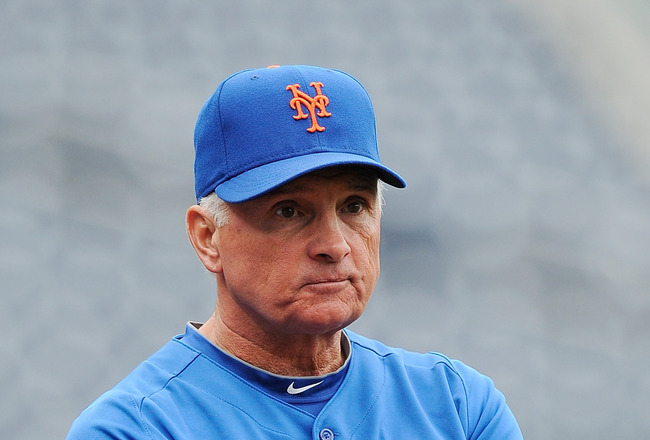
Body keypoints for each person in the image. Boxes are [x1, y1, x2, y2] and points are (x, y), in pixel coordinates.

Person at [66, 65, 523, 439]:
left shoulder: (457, 405)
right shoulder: (137, 428)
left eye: (354, 206)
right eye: (288, 210)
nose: (335, 245)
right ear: (208, 237)